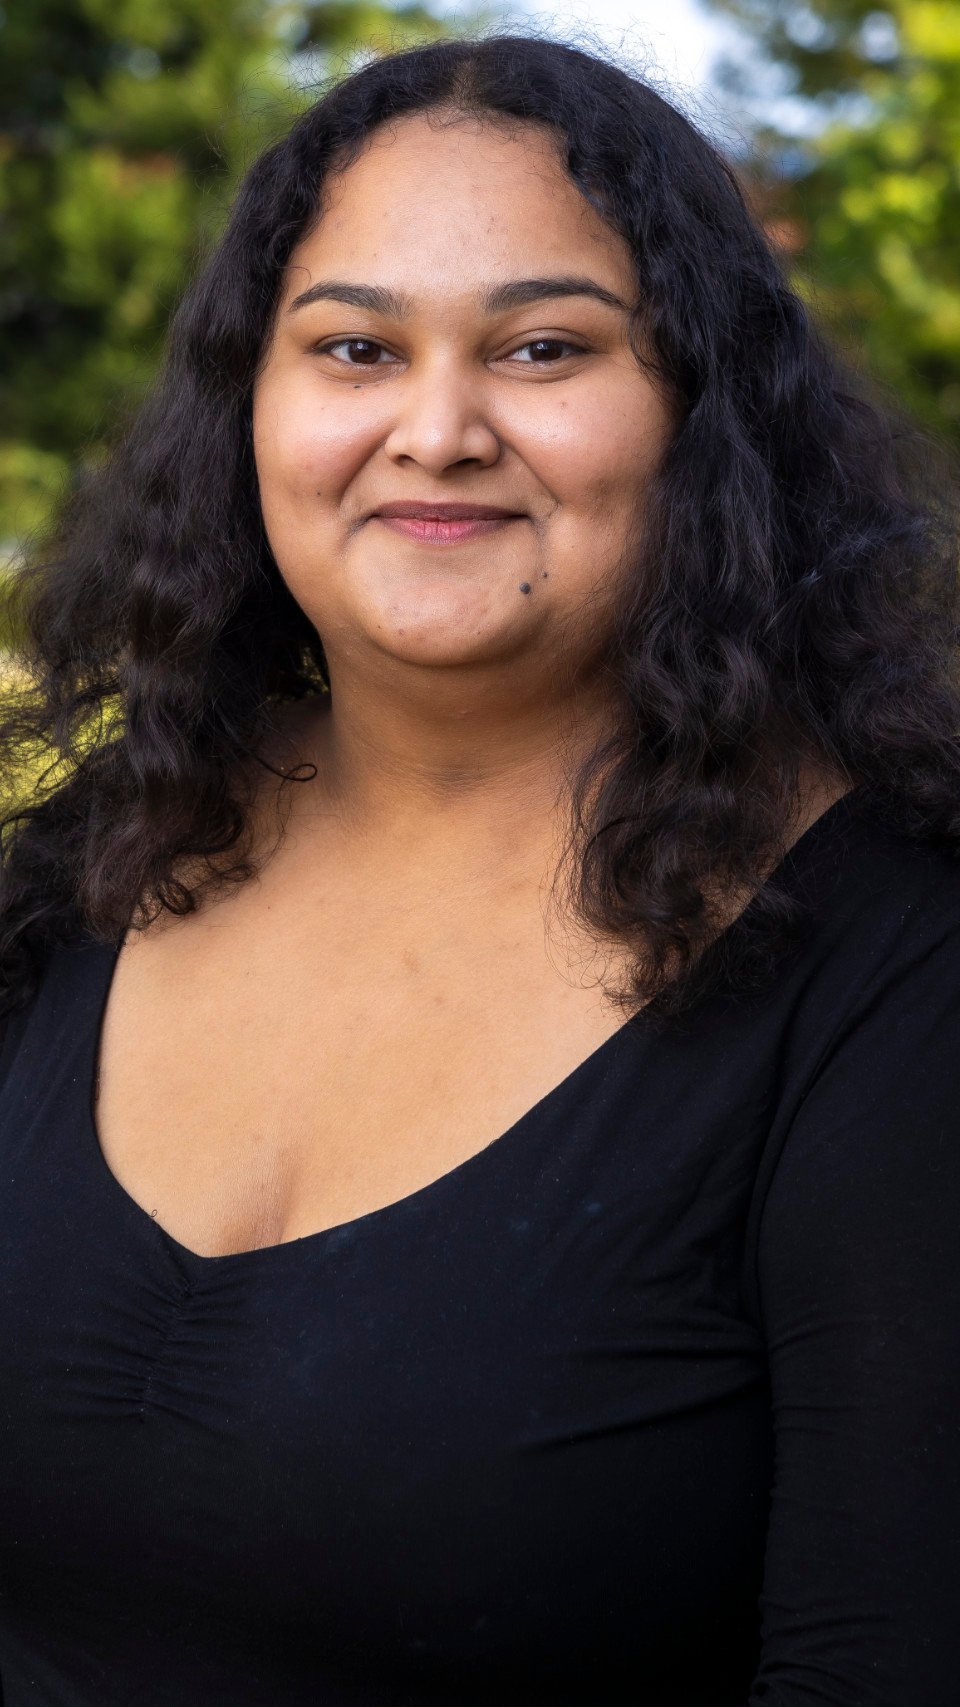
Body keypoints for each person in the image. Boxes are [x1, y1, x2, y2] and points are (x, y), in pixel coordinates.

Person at [0, 28, 958, 1707]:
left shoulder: (896, 967)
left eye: (541, 346)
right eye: (355, 346)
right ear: (252, 407)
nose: (435, 430)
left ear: (699, 416)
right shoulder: (88, 869)